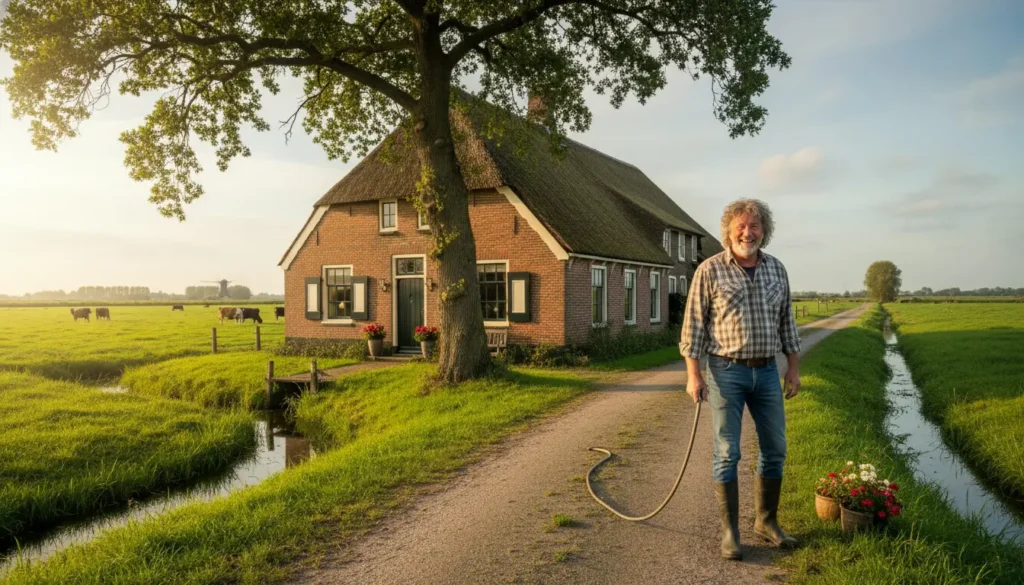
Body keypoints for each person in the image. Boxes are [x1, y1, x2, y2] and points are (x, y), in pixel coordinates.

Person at [679, 198, 801, 561]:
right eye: (741, 227)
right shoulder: (709, 270)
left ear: (765, 231)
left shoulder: (777, 270)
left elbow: (787, 324)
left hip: (766, 372)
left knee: (775, 450)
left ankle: (767, 522)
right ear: (729, 231)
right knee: (727, 452)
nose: (748, 232)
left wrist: (793, 368)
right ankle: (730, 532)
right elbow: (694, 326)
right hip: (725, 372)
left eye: (755, 226)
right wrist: (693, 374)